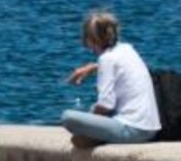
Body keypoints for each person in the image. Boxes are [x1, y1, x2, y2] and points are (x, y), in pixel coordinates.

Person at [62, 12, 161, 148]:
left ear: (92, 40)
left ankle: (94, 137)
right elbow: (120, 69)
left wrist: (91, 120)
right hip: (151, 129)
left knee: (68, 117)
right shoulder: (127, 49)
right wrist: (93, 67)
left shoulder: (106, 59)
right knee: (92, 110)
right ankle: (95, 137)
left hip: (133, 130)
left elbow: (106, 105)